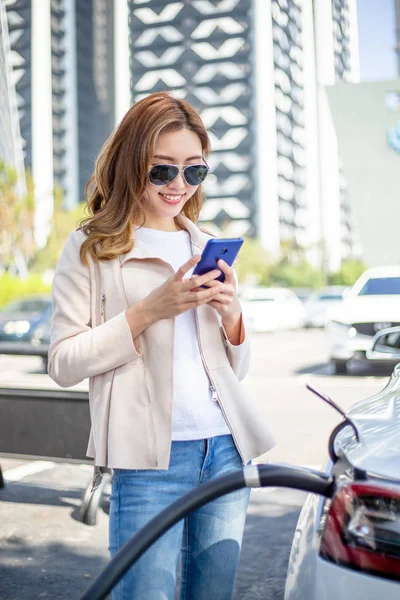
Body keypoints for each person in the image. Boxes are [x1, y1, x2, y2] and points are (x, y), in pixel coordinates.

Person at [48, 91, 275, 600]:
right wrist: (150, 310)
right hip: (149, 460)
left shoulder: (203, 245)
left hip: (224, 449)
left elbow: (233, 370)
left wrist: (232, 315)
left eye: (194, 171)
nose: (179, 185)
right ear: (132, 166)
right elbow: (63, 362)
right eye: (162, 171)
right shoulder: (93, 249)